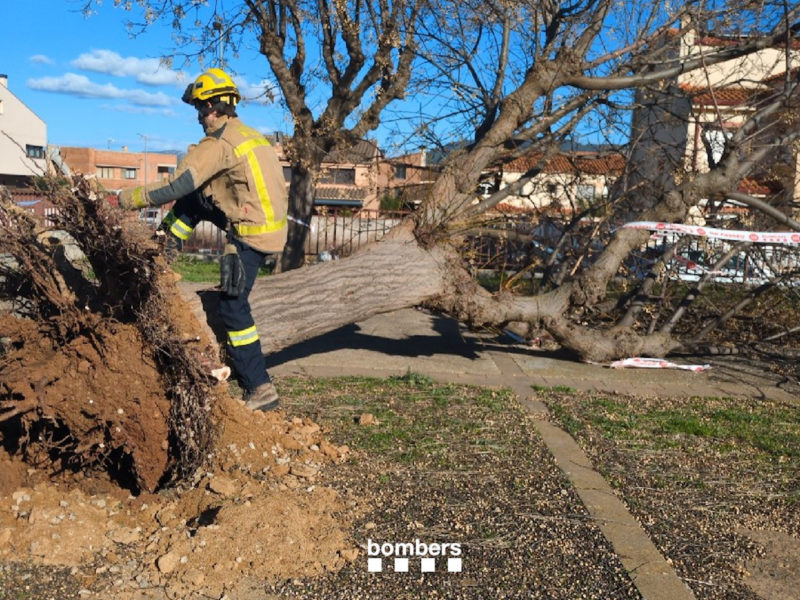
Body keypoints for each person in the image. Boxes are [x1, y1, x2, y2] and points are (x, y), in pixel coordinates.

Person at [119, 68, 288, 412]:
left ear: (213, 106)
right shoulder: (252, 136)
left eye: (199, 108)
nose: (198, 116)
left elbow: (175, 185)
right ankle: (159, 255)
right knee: (194, 201)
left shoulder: (220, 143)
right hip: (269, 227)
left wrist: (126, 199)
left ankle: (259, 386)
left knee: (232, 305)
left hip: (251, 235)